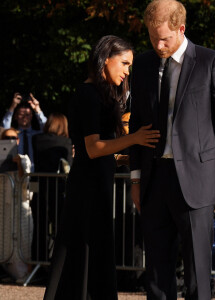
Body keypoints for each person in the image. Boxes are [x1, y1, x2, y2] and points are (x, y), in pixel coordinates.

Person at [129, 1, 215, 299]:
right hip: (154, 180)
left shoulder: (210, 62)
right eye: (152, 37)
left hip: (198, 180)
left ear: (181, 29)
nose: (158, 45)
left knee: (197, 275)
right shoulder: (142, 65)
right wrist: (135, 178)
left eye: (165, 38)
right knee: (156, 275)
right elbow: (137, 125)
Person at [43, 35, 160, 300]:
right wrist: (135, 138)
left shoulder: (100, 95)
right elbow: (93, 148)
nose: (128, 71)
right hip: (88, 185)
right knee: (85, 248)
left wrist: (133, 156)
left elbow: (104, 149)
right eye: (124, 63)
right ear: (106, 59)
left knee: (90, 250)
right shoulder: (88, 94)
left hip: (97, 181)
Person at [31, 113, 73, 261]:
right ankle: (58, 263)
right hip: (58, 191)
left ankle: (38, 261)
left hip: (40, 189)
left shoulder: (37, 139)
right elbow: (68, 165)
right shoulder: (66, 142)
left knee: (39, 228)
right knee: (59, 229)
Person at [0, 128, 33, 282]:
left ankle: (23, 273)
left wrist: (20, 164)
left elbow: (24, 183)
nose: (10, 140)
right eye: (6, 138)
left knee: (21, 240)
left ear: (18, 140)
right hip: (3, 207)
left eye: (13, 137)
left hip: (19, 206)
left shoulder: (24, 158)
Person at [1, 93, 47, 171]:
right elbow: (5, 128)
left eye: (27, 114)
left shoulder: (37, 135)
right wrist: (13, 106)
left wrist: (38, 110)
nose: (24, 117)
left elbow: (48, 129)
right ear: (16, 116)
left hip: (35, 172)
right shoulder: (13, 135)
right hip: (16, 172)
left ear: (32, 116)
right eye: (21, 114)